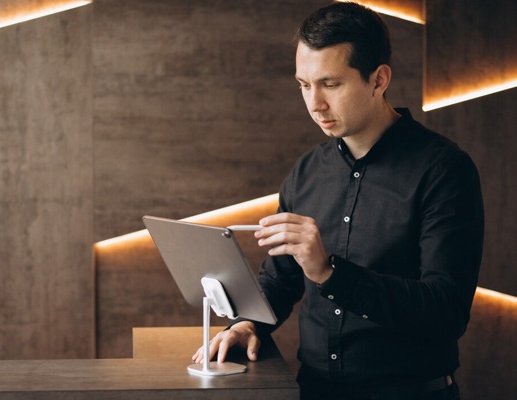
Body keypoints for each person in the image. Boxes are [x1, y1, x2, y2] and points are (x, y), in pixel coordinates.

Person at [192, 2, 484, 400]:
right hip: (313, 390)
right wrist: (249, 325)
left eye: (331, 84)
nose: (315, 104)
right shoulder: (307, 170)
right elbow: (280, 279)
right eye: (304, 84)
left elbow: (445, 312)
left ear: (379, 79)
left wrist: (330, 274)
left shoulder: (445, 170)